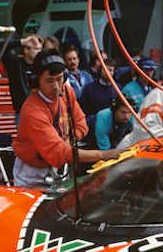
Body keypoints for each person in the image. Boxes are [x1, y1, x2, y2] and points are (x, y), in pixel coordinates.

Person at [12, 50, 120, 189]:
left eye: (59, 79)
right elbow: (59, 152)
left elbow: (81, 124)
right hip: (33, 173)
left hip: (60, 167)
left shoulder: (67, 92)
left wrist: (69, 140)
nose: (56, 86)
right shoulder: (32, 111)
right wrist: (103, 154)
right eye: (49, 81)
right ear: (36, 81)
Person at [2, 34, 43, 114]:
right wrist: (23, 41)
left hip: (40, 111)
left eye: (40, 49)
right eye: (36, 49)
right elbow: (1, 47)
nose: (39, 52)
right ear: (26, 50)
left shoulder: (41, 65)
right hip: (22, 112)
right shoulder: (15, 64)